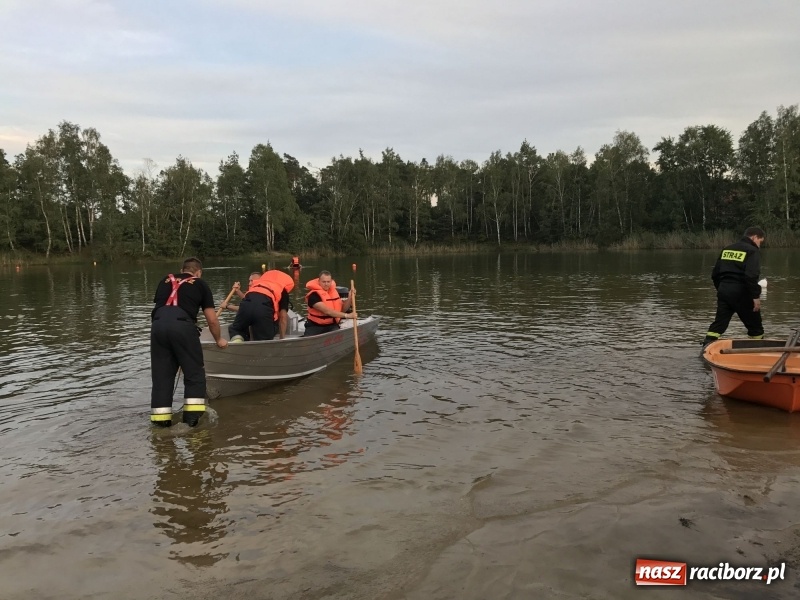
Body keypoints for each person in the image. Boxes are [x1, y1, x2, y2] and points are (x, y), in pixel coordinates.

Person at [150, 257, 228, 428]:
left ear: (182, 269)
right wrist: (219, 339)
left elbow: (161, 307)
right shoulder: (200, 284)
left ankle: (161, 425)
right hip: (183, 327)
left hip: (157, 328)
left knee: (162, 377)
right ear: (198, 272)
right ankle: (191, 423)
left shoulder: (164, 280)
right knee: (194, 375)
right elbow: (212, 320)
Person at [702, 226, 766, 349]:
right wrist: (755, 297)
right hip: (742, 293)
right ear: (754, 237)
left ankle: (706, 347)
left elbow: (715, 274)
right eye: (760, 241)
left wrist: (722, 289)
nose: (759, 245)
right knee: (755, 326)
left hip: (724, 291)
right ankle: (758, 350)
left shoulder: (727, 249)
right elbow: (751, 276)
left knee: (719, 324)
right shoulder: (752, 251)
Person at [228, 269, 294, 341]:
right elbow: (283, 318)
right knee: (264, 335)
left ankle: (237, 338)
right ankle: (261, 340)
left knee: (236, 329)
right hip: (263, 312)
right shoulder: (282, 290)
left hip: (245, 307)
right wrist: (282, 339)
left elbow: (251, 302)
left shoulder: (257, 284)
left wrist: (237, 292)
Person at [303, 270, 357, 336]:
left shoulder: (334, 292)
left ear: (331, 281)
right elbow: (327, 311)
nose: (326, 284)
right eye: (324, 282)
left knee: (337, 335)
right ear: (319, 282)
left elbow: (342, 310)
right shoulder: (314, 295)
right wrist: (347, 315)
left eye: (328, 282)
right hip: (315, 326)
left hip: (331, 325)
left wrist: (350, 297)